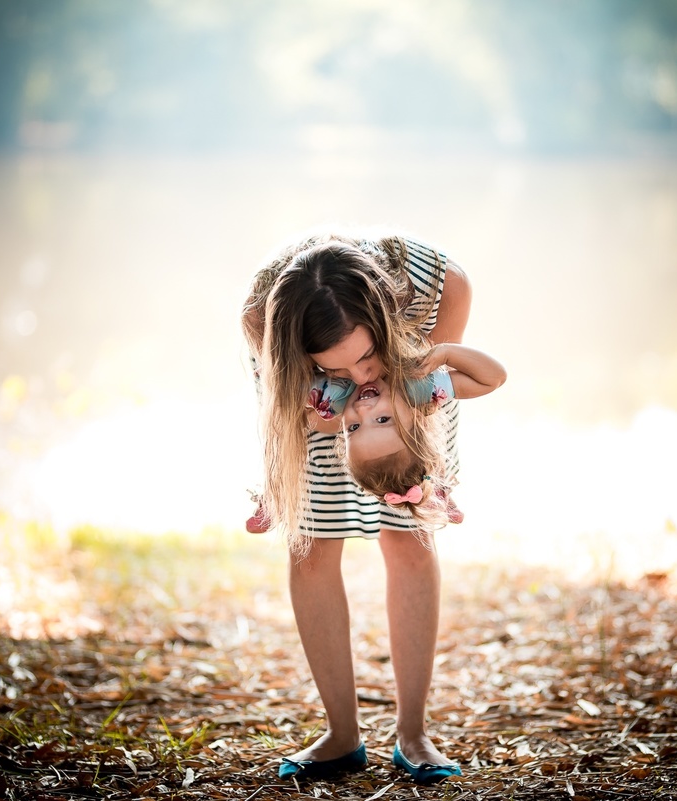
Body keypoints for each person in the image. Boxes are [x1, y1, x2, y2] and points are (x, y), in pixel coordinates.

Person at [241, 230, 474, 784]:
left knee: (408, 537)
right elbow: (288, 415)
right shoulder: (263, 318)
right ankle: (341, 735)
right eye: (339, 365)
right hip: (311, 401)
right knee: (312, 546)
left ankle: (413, 734)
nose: (361, 376)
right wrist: (328, 403)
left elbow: (437, 385)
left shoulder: (440, 286)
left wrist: (390, 412)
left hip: (409, 394)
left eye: (367, 356)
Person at [340, 343, 506, 526]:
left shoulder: (338, 397)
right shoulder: (417, 389)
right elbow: (493, 378)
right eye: (382, 420)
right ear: (416, 418)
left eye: (353, 427)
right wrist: (445, 354)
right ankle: (436, 487)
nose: (362, 409)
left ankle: (437, 490)